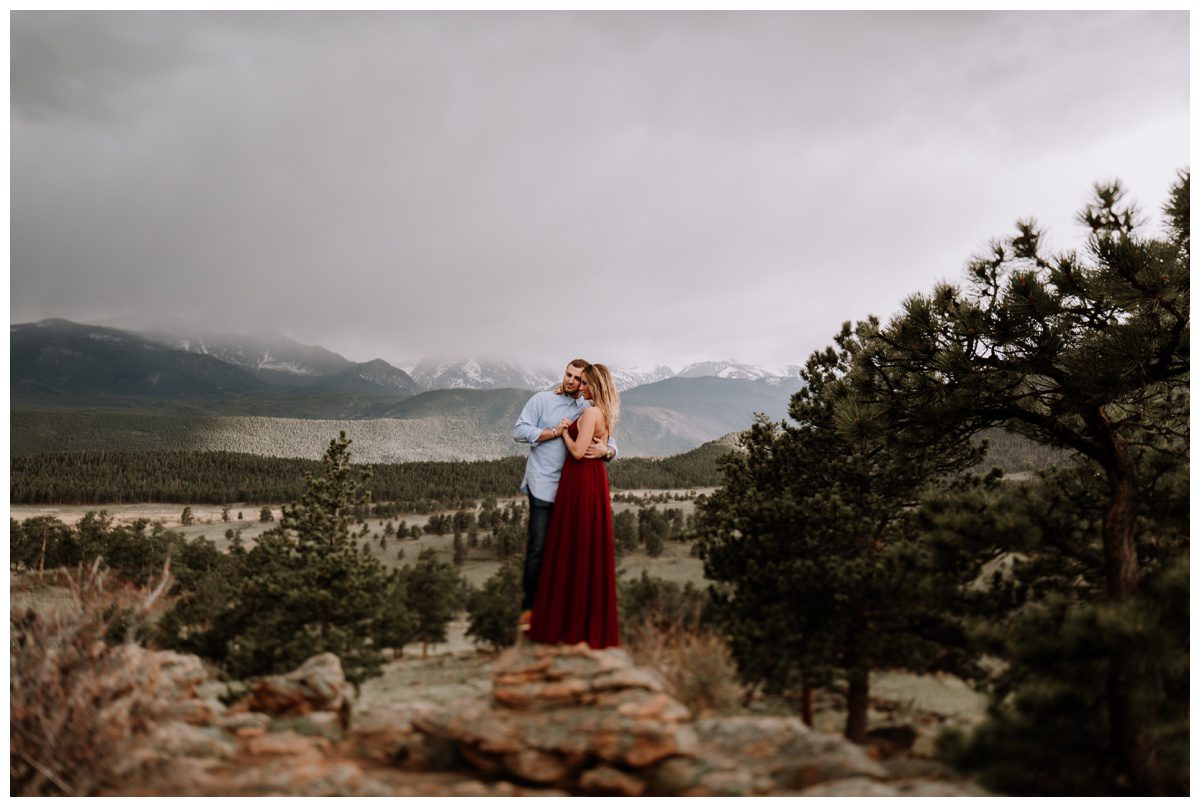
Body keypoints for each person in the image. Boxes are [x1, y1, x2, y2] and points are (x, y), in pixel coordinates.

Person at [513, 359, 616, 630]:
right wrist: (552, 432)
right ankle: (531, 610)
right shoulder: (542, 400)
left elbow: (609, 440)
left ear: (586, 382)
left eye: (579, 378)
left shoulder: (587, 405)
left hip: (575, 492)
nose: (572, 381)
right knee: (539, 547)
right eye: (568, 375)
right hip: (544, 485)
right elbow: (519, 431)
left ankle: (564, 609)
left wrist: (609, 451)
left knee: (567, 552)